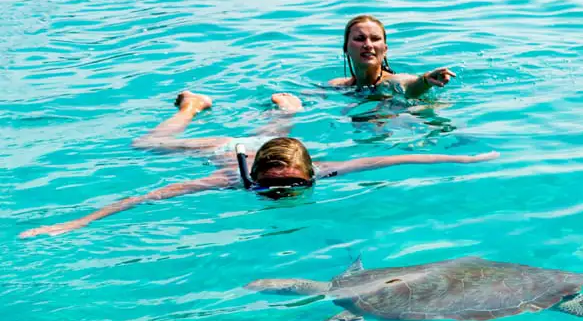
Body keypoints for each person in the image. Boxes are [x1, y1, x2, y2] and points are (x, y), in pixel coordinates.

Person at [18, 90, 498, 238]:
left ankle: (286, 112)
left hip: (270, 143)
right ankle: (191, 105)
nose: (283, 194)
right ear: (256, 178)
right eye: (272, 189)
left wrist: (465, 156)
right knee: (146, 146)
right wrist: (74, 222)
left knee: (280, 128)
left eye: (292, 187)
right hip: (227, 145)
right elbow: (145, 196)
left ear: (312, 174)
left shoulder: (323, 169)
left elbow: (391, 157)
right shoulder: (229, 177)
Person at [328, 15, 456, 100]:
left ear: (385, 50)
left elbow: (411, 85)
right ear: (346, 49)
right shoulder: (338, 85)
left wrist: (425, 81)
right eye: (360, 39)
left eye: (375, 39)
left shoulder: (392, 82)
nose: (368, 45)